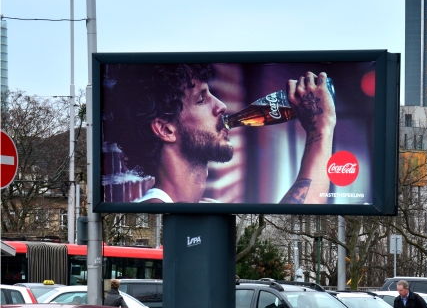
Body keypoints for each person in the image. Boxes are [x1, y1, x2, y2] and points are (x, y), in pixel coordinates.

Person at [105, 63, 335, 204]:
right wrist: (321, 130)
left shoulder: (201, 204)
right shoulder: (158, 211)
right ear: (165, 129)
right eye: (201, 99)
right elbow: (307, 203)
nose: (222, 106)